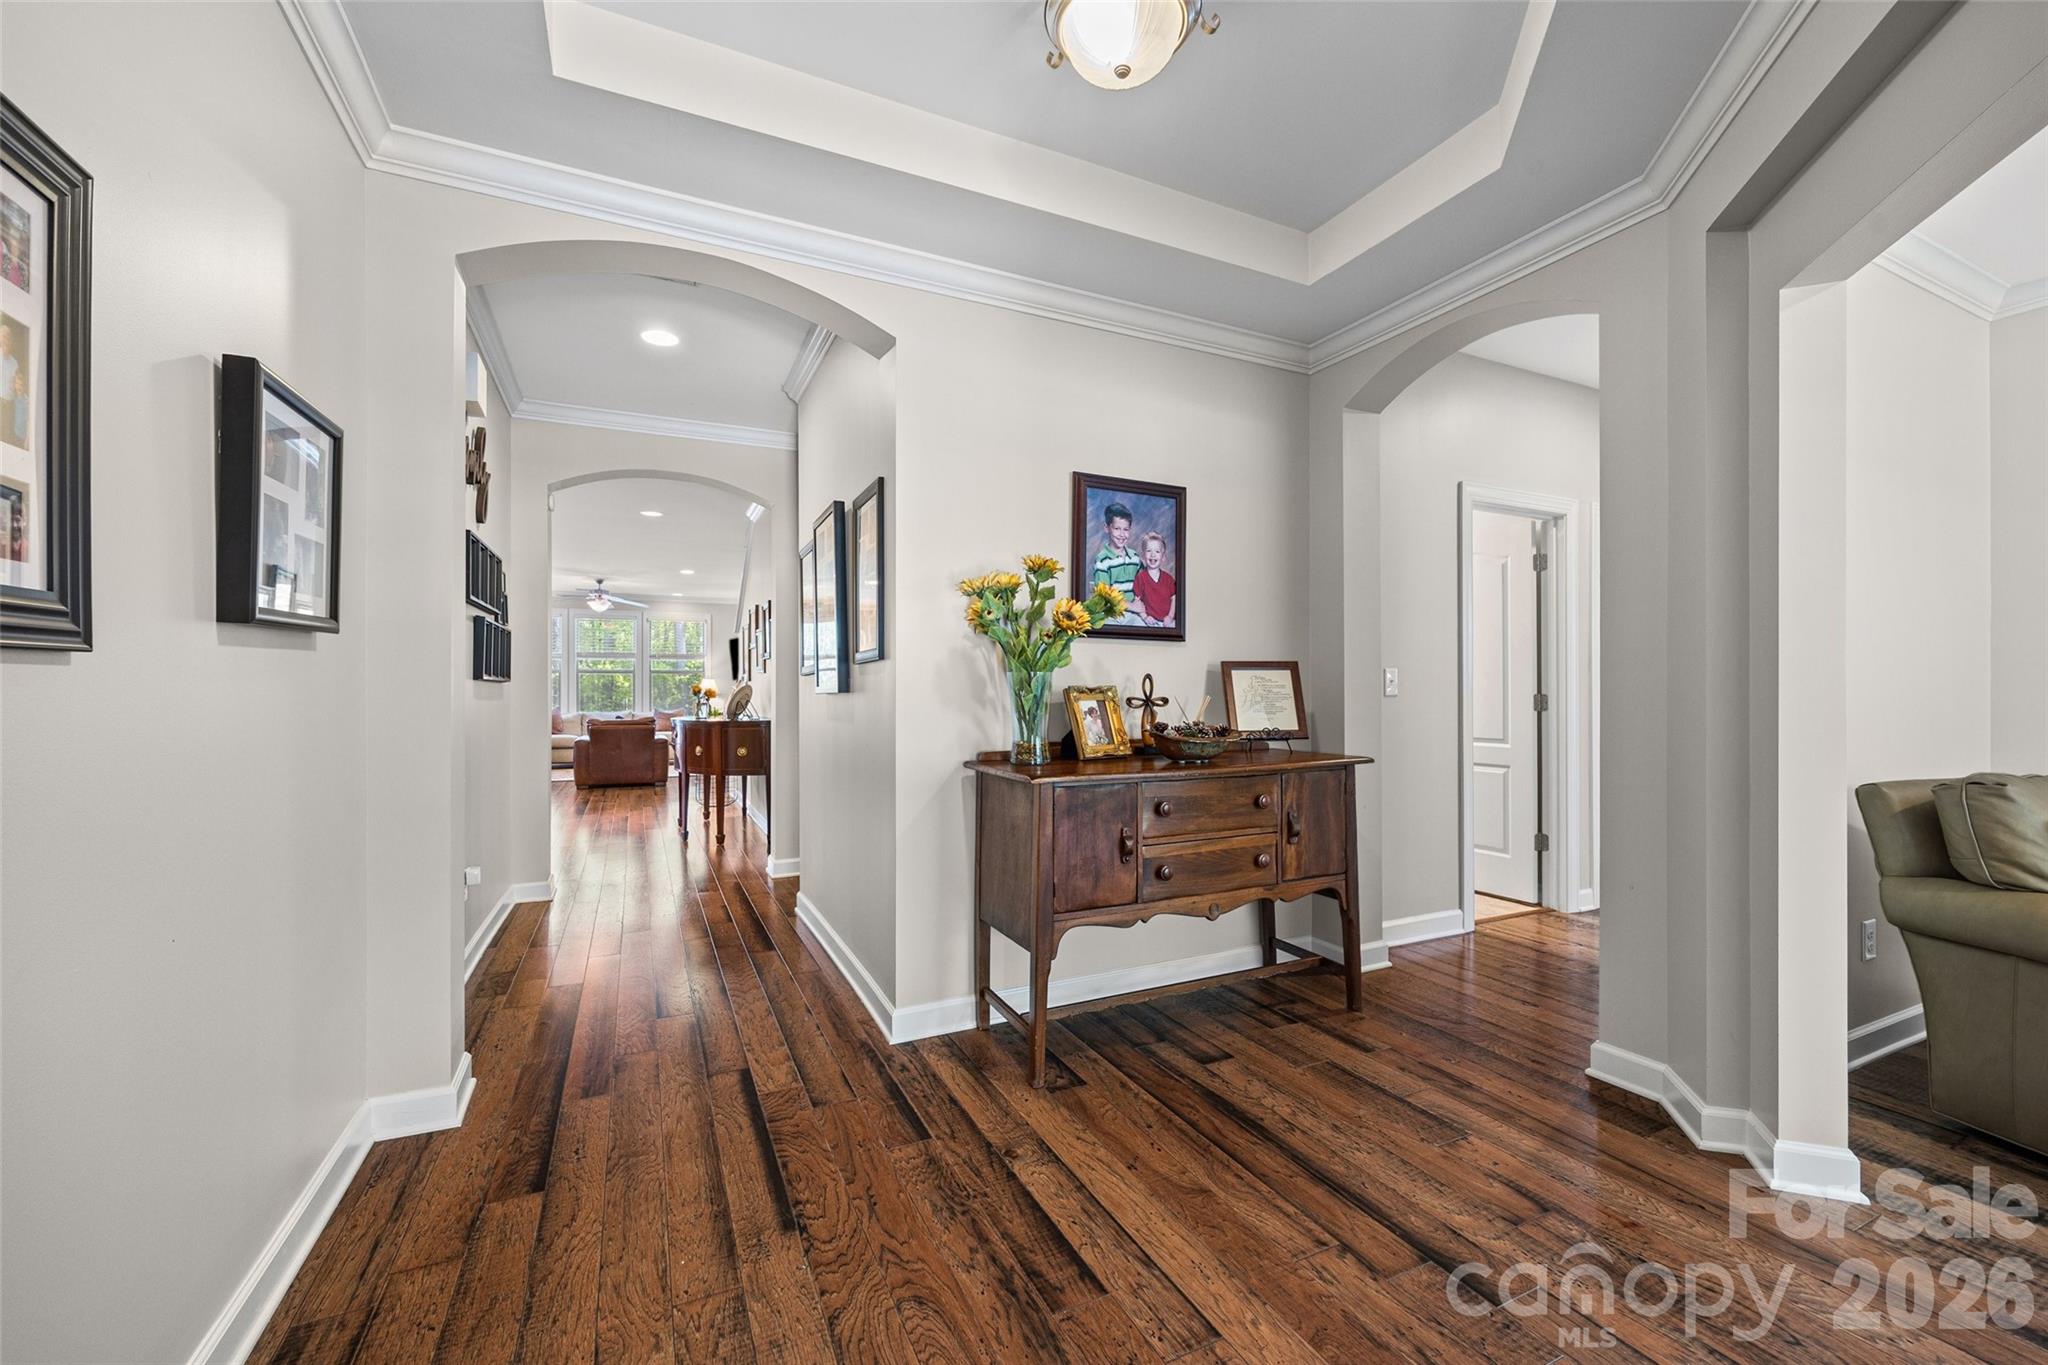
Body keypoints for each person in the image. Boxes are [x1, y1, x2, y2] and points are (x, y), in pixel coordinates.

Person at [1090, 500, 1143, 624]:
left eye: (1126, 529)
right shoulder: (1102, 561)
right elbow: (1105, 597)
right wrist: (1132, 606)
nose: (1122, 534)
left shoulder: (1135, 558)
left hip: (1134, 614)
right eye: (1117, 529)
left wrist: (1139, 607)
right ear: (1107, 528)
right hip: (1111, 614)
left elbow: (1143, 585)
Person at [1131, 531, 1176, 627]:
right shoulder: (1140, 577)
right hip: (1149, 621)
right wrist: (1145, 617)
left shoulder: (1169, 579)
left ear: (1163, 557)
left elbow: (1174, 599)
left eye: (1157, 551)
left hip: (1167, 621)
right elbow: (1137, 601)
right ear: (1143, 556)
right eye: (1149, 551)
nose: (1153, 555)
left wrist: (1170, 616)